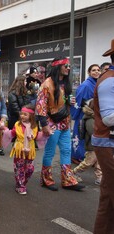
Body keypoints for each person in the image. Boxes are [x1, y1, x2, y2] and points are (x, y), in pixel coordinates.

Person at [36, 56, 84, 191]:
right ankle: (46, 180)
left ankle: (68, 180)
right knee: (50, 152)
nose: (68, 68)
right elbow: (41, 106)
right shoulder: (46, 84)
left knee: (67, 151)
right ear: (58, 67)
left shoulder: (66, 84)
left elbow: (63, 101)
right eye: (66, 66)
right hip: (51, 124)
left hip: (64, 122)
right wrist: (44, 125)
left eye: (69, 66)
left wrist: (70, 102)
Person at [92, 39, 114, 233]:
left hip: (109, 141)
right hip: (109, 142)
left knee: (108, 193)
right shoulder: (109, 81)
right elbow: (108, 119)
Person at [3, 105, 40, 195]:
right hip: (19, 149)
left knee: (30, 169)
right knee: (19, 168)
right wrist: (5, 130)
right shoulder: (17, 124)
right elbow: (12, 133)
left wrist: (34, 136)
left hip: (30, 150)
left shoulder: (34, 126)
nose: (22, 116)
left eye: (25, 114)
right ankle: (20, 186)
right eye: (21, 114)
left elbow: (36, 135)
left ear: (31, 116)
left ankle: (22, 183)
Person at [70, 64, 101, 164]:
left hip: (93, 114)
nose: (96, 72)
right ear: (89, 72)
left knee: (88, 136)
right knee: (80, 135)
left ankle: (87, 158)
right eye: (93, 70)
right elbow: (79, 100)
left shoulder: (97, 83)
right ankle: (76, 156)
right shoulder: (86, 85)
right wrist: (76, 114)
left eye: (98, 70)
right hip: (83, 114)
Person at [72, 99, 102, 185]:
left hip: (97, 143)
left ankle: (100, 177)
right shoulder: (90, 118)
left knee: (98, 162)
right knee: (89, 162)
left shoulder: (94, 117)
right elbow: (92, 131)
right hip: (91, 144)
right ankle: (74, 172)